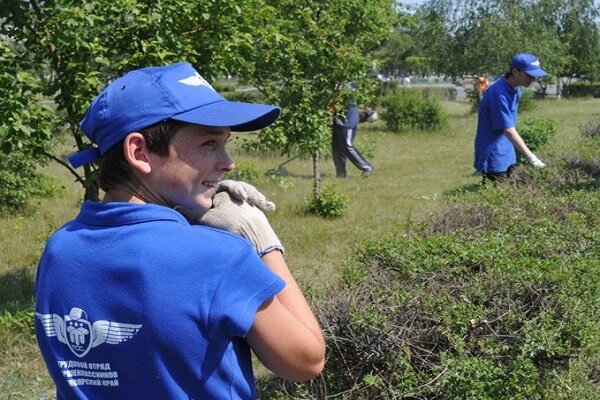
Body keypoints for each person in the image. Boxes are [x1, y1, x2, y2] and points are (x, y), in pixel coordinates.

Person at [34, 62, 325, 399]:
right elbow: (306, 360)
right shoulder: (218, 256)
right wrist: (259, 238)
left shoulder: (59, 249)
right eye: (209, 144)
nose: (228, 162)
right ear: (139, 152)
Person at [474, 53, 547, 184]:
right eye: (529, 75)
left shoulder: (514, 90)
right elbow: (508, 130)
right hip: (495, 155)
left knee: (509, 195)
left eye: (535, 76)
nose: (532, 79)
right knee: (496, 199)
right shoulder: (498, 93)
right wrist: (532, 158)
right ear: (515, 71)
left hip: (507, 151)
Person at [331, 98, 374, 178]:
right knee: (336, 146)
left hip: (348, 119)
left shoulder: (346, 87)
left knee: (347, 145)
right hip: (337, 119)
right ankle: (341, 174)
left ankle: (367, 167)